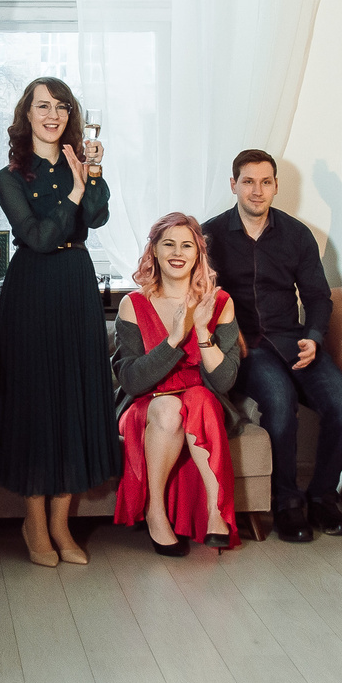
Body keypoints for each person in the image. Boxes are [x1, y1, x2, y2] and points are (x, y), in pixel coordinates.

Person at [0, 78, 116, 567]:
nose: (53, 113)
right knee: (35, 402)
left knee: (74, 399)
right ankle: (35, 524)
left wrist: (93, 174)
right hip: (32, 289)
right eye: (43, 105)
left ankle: (63, 524)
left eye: (61, 106)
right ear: (27, 114)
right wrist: (75, 192)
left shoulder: (80, 162)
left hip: (76, 283)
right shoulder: (10, 176)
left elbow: (98, 217)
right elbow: (37, 237)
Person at [202, 151, 342, 542]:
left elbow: (319, 297)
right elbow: (200, 295)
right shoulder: (209, 236)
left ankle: (323, 497)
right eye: (249, 181)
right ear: (233, 184)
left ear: (276, 186)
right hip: (244, 345)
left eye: (266, 182)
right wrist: (224, 336)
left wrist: (315, 338)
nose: (258, 190)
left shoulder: (296, 234)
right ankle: (287, 503)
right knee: (278, 399)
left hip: (293, 340)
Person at [111, 213, 243, 556]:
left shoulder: (221, 302)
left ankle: (217, 512)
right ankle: (155, 511)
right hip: (147, 404)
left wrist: (200, 333)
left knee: (198, 396)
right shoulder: (133, 304)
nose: (177, 252)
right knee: (169, 406)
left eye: (186, 245)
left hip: (203, 404)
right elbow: (132, 381)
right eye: (168, 244)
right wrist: (173, 339)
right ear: (153, 251)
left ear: (198, 255)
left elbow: (224, 382)